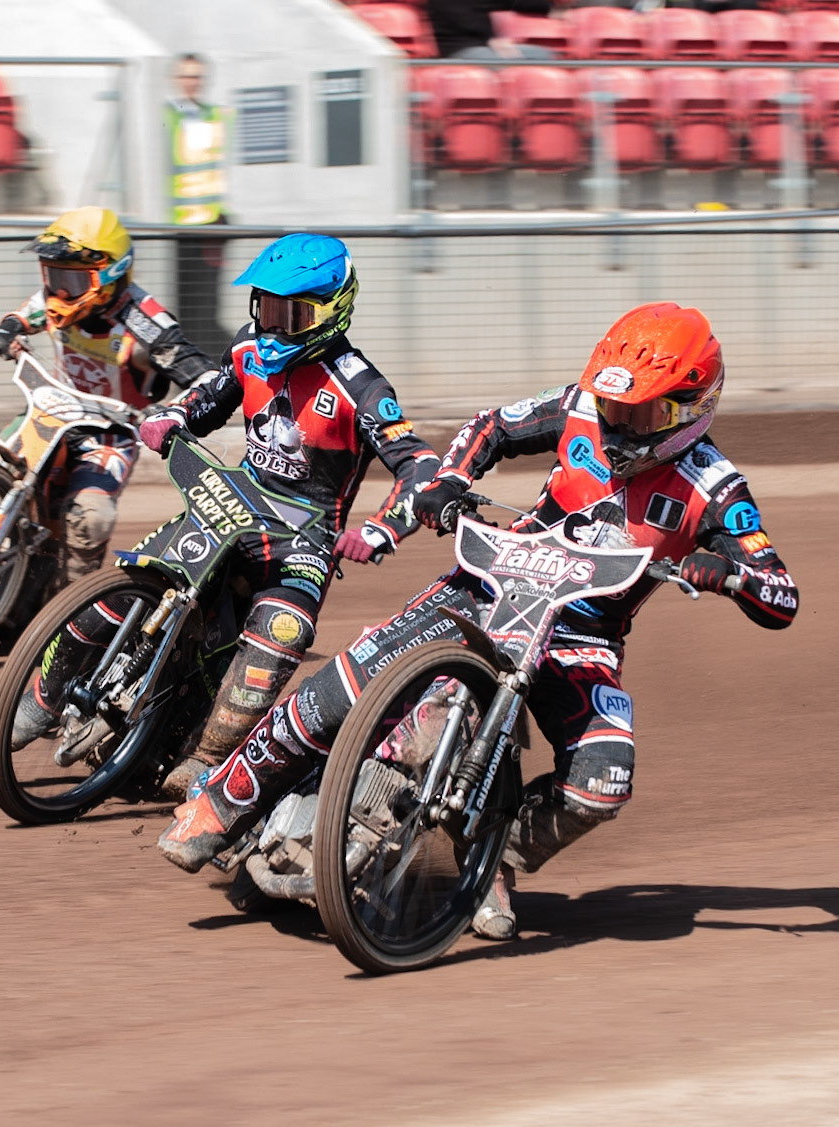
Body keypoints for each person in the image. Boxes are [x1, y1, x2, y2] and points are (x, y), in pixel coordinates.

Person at [156, 302, 800, 941]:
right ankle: (222, 803)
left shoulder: (715, 486)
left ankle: (489, 860)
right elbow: (492, 426)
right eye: (612, 409)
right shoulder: (577, 405)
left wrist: (731, 574)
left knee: (604, 779)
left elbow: (782, 594)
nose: (618, 425)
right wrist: (448, 482)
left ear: (692, 410)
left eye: (641, 414)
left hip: (583, 635)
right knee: (352, 679)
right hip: (487, 583)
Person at [11, 234, 438, 798]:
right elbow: (210, 395)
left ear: (332, 311)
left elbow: (421, 465)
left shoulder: (363, 387)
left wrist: (382, 528)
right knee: (129, 580)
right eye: (266, 308)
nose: (274, 326)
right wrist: (173, 415)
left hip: (302, 538)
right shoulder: (248, 349)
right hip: (231, 499)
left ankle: (208, 759)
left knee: (282, 634)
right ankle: (43, 694)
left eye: (293, 314)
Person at [0, 206, 215, 622]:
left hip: (108, 435)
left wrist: (177, 409)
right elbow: (21, 317)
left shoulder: (147, 322)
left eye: (72, 279)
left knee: (90, 519)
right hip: (49, 413)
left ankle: (63, 617)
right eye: (53, 275)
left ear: (110, 275)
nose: (59, 289)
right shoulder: (53, 300)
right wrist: (7, 333)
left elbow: (204, 375)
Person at [165, 53, 233, 356]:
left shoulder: (216, 115)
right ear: (176, 80)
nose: (191, 82)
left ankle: (220, 369)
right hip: (179, 225)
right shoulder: (170, 115)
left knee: (206, 307)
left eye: (196, 76)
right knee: (186, 308)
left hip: (211, 223)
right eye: (186, 76)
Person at [429, 0, 558, 59]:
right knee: (537, 56)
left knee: (543, 53)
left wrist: (553, 8)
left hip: (483, 47)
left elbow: (516, 2)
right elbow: (462, 21)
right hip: (460, 51)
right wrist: (491, 41)